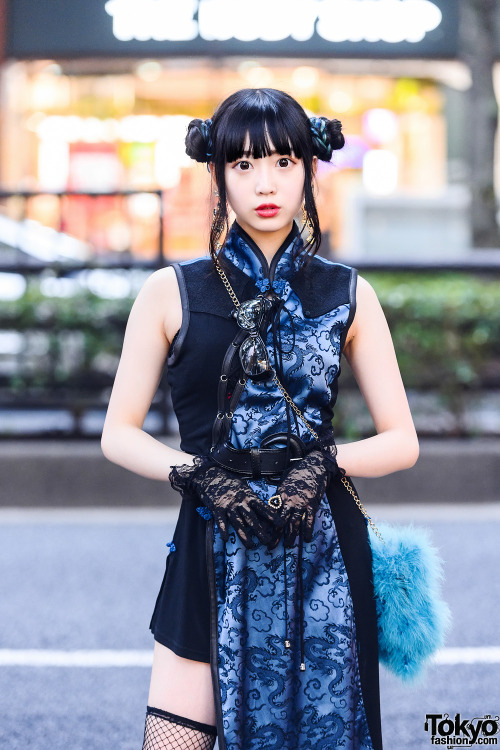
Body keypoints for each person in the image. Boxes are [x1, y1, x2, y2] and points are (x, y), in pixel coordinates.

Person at [101, 88, 419, 750]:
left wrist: (325, 464)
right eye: (242, 165)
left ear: (309, 167)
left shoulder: (348, 293)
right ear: (217, 175)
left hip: (324, 543)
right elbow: (118, 433)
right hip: (209, 540)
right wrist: (199, 476)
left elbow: (402, 442)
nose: (264, 183)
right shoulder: (172, 290)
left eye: (281, 161)